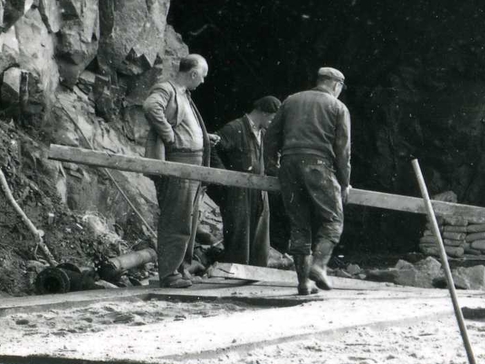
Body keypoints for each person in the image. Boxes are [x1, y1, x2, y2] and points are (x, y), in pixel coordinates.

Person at [264, 67, 352, 296]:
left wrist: (273, 167)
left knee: (299, 226)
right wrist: (344, 182)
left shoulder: (291, 100)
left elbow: (271, 136)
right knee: (333, 220)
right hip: (319, 166)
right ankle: (319, 266)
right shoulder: (337, 107)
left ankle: (304, 283)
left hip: (290, 166)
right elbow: (343, 150)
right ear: (336, 85)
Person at [142, 54, 215, 288]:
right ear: (193, 73)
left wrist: (203, 139)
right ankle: (169, 274)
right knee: (177, 219)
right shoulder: (167, 88)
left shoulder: (184, 95)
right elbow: (151, 106)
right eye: (202, 76)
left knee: (188, 220)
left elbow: (183, 124)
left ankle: (180, 269)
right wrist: (169, 134)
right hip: (179, 165)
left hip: (191, 165)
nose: (203, 82)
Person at [213, 95, 281, 266]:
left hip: (260, 190)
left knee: (260, 236)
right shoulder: (235, 128)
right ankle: (234, 275)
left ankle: (255, 276)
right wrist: (224, 176)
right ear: (264, 113)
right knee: (238, 235)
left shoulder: (263, 133)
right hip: (238, 191)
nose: (273, 123)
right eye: (273, 118)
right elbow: (212, 147)